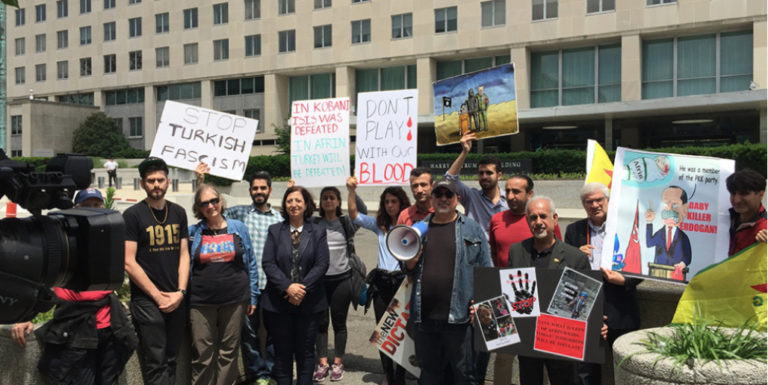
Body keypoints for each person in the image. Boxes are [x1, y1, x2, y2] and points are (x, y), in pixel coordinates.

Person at [11, 188, 137, 385]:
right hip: (74, 330)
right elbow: (39, 279)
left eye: (97, 206)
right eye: (87, 207)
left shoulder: (110, 240)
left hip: (109, 328)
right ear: (75, 209)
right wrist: (25, 316)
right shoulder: (66, 244)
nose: (93, 210)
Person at [198, 163, 282, 385]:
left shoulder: (279, 218)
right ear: (250, 191)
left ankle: (273, 372)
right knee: (249, 333)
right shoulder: (239, 214)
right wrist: (201, 181)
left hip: (274, 285)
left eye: (263, 188)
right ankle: (258, 374)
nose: (259, 192)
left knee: (274, 332)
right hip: (247, 286)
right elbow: (211, 211)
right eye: (255, 188)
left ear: (270, 191)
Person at [404, 179, 493, 385]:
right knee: (429, 374)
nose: (443, 198)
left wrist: (480, 303)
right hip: (424, 318)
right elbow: (407, 269)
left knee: (464, 373)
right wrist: (410, 263)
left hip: (459, 319)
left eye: (448, 195)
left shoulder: (472, 229)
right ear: (432, 198)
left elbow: (485, 269)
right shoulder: (419, 229)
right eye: (439, 194)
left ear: (457, 199)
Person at [507, 196, 590, 385]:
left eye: (543, 216)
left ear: (555, 218)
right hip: (527, 338)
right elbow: (509, 292)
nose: (538, 222)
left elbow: (585, 302)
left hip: (561, 338)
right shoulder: (517, 251)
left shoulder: (575, 257)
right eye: (533, 218)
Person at [488, 175, 562, 385]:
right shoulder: (496, 219)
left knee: (540, 357)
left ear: (530, 194)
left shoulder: (543, 219)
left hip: (541, 302)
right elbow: (494, 255)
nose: (510, 196)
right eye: (508, 191)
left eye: (516, 191)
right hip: (506, 299)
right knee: (503, 357)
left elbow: (558, 253)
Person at [564, 183, 641, 385]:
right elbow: (566, 268)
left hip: (620, 307)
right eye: (589, 201)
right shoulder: (574, 231)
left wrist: (625, 280)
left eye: (599, 200)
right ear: (583, 204)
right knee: (586, 371)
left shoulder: (626, 228)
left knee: (626, 365)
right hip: (586, 307)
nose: (595, 204)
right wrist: (575, 254)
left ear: (608, 201)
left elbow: (641, 263)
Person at [123, 157, 189, 385]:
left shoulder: (179, 213)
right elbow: (128, 262)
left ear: (168, 182)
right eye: (150, 180)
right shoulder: (132, 215)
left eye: (160, 179)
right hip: (147, 300)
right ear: (142, 184)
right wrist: (157, 295)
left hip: (176, 296)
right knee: (156, 360)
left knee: (172, 358)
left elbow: (184, 255)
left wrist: (180, 291)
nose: (156, 185)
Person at [187, 184, 260, 385]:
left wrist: (252, 295)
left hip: (235, 299)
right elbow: (184, 266)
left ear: (221, 201)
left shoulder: (238, 228)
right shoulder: (193, 232)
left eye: (214, 200)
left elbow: (250, 262)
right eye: (204, 203)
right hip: (201, 302)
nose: (211, 206)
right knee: (202, 354)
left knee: (229, 352)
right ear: (198, 208)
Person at [346, 176, 411, 385]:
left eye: (394, 201)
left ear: (401, 203)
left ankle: (400, 375)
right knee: (383, 331)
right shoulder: (379, 225)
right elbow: (354, 215)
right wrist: (351, 191)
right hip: (382, 282)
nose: (390, 205)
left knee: (400, 332)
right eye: (387, 202)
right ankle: (388, 373)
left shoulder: (410, 226)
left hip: (402, 284)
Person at [261, 186, 329, 385]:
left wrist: (301, 288)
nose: (293, 205)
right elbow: (268, 263)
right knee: (282, 354)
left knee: (306, 352)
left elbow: (322, 264)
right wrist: (287, 287)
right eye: (289, 201)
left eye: (298, 200)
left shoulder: (317, 231)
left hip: (310, 303)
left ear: (306, 204)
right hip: (278, 304)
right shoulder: (275, 231)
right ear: (284, 205)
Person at [312, 185, 367, 382]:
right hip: (319, 282)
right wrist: (295, 188)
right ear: (320, 202)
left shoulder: (346, 223)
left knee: (339, 322)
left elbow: (363, 211)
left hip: (342, 280)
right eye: (325, 198)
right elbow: (296, 213)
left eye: (332, 198)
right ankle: (322, 363)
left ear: (338, 201)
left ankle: (338, 362)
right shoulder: (313, 223)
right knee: (320, 323)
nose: (328, 201)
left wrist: (352, 191)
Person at [445, 132, 508, 240]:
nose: (484, 176)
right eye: (481, 173)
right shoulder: (471, 197)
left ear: (499, 175)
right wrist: (465, 152)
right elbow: (449, 180)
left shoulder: (509, 200)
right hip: (475, 254)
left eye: (489, 173)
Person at [645, 186, 692, 268]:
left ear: (685, 209)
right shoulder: (660, 233)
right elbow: (649, 243)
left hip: (676, 274)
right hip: (658, 272)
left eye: (675, 204)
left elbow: (688, 256)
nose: (670, 208)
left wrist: (682, 264)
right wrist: (649, 221)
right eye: (666, 204)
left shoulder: (683, 237)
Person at [725, 169, 767, 255]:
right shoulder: (724, 220)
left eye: (744, 193)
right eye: (733, 194)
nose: (736, 200)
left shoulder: (764, 229)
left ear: (761, 194)